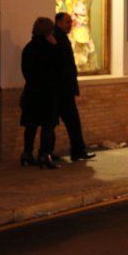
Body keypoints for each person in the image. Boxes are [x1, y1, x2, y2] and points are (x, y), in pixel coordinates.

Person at [54, 12, 95, 162]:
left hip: (61, 88)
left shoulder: (59, 37)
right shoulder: (57, 38)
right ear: (58, 22)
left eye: (71, 22)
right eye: (67, 22)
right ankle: (77, 150)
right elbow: (63, 65)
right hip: (62, 89)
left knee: (56, 122)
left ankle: (48, 151)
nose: (70, 25)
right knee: (72, 121)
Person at [20, 17, 60, 169]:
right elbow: (57, 68)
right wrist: (55, 47)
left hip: (31, 91)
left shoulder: (28, 48)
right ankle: (45, 155)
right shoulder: (50, 49)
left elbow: (26, 70)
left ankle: (26, 153)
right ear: (48, 31)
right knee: (48, 125)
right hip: (47, 92)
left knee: (31, 125)